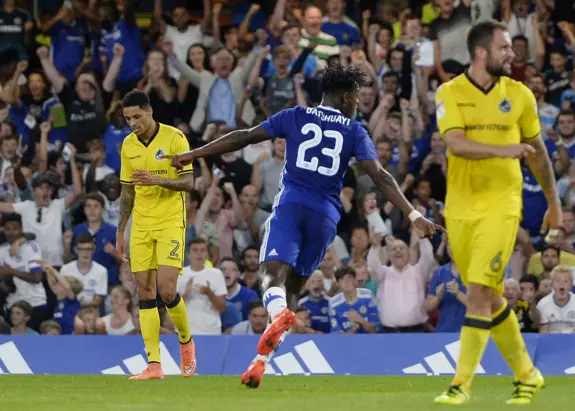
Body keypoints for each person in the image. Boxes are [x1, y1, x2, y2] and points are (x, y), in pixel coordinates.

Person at [167, 64, 443, 388]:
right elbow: (380, 176)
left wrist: (195, 153)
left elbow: (244, 136)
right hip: (326, 217)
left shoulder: (296, 115)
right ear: (347, 97)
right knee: (294, 288)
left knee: (270, 273)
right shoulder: (354, 131)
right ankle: (260, 362)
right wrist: (414, 215)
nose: (356, 104)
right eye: (355, 98)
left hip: (291, 206)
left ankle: (277, 318)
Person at [433, 20, 562, 405]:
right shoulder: (450, 91)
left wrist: (554, 204)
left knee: (477, 294)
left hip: (502, 206)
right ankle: (527, 374)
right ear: (481, 52)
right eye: (505, 48)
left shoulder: (520, 95)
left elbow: (537, 153)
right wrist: (503, 150)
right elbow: (454, 143)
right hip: (459, 207)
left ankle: (460, 385)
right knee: (489, 297)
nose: (512, 54)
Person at [115, 90, 196, 381]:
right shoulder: (127, 145)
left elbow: (189, 183)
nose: (132, 123)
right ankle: (154, 365)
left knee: (167, 290)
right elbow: (127, 190)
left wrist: (157, 179)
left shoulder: (175, 138)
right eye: (127, 119)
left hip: (171, 220)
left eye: (137, 116)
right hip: (142, 225)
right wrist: (120, 230)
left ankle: (186, 341)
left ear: (150, 112)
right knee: (145, 292)